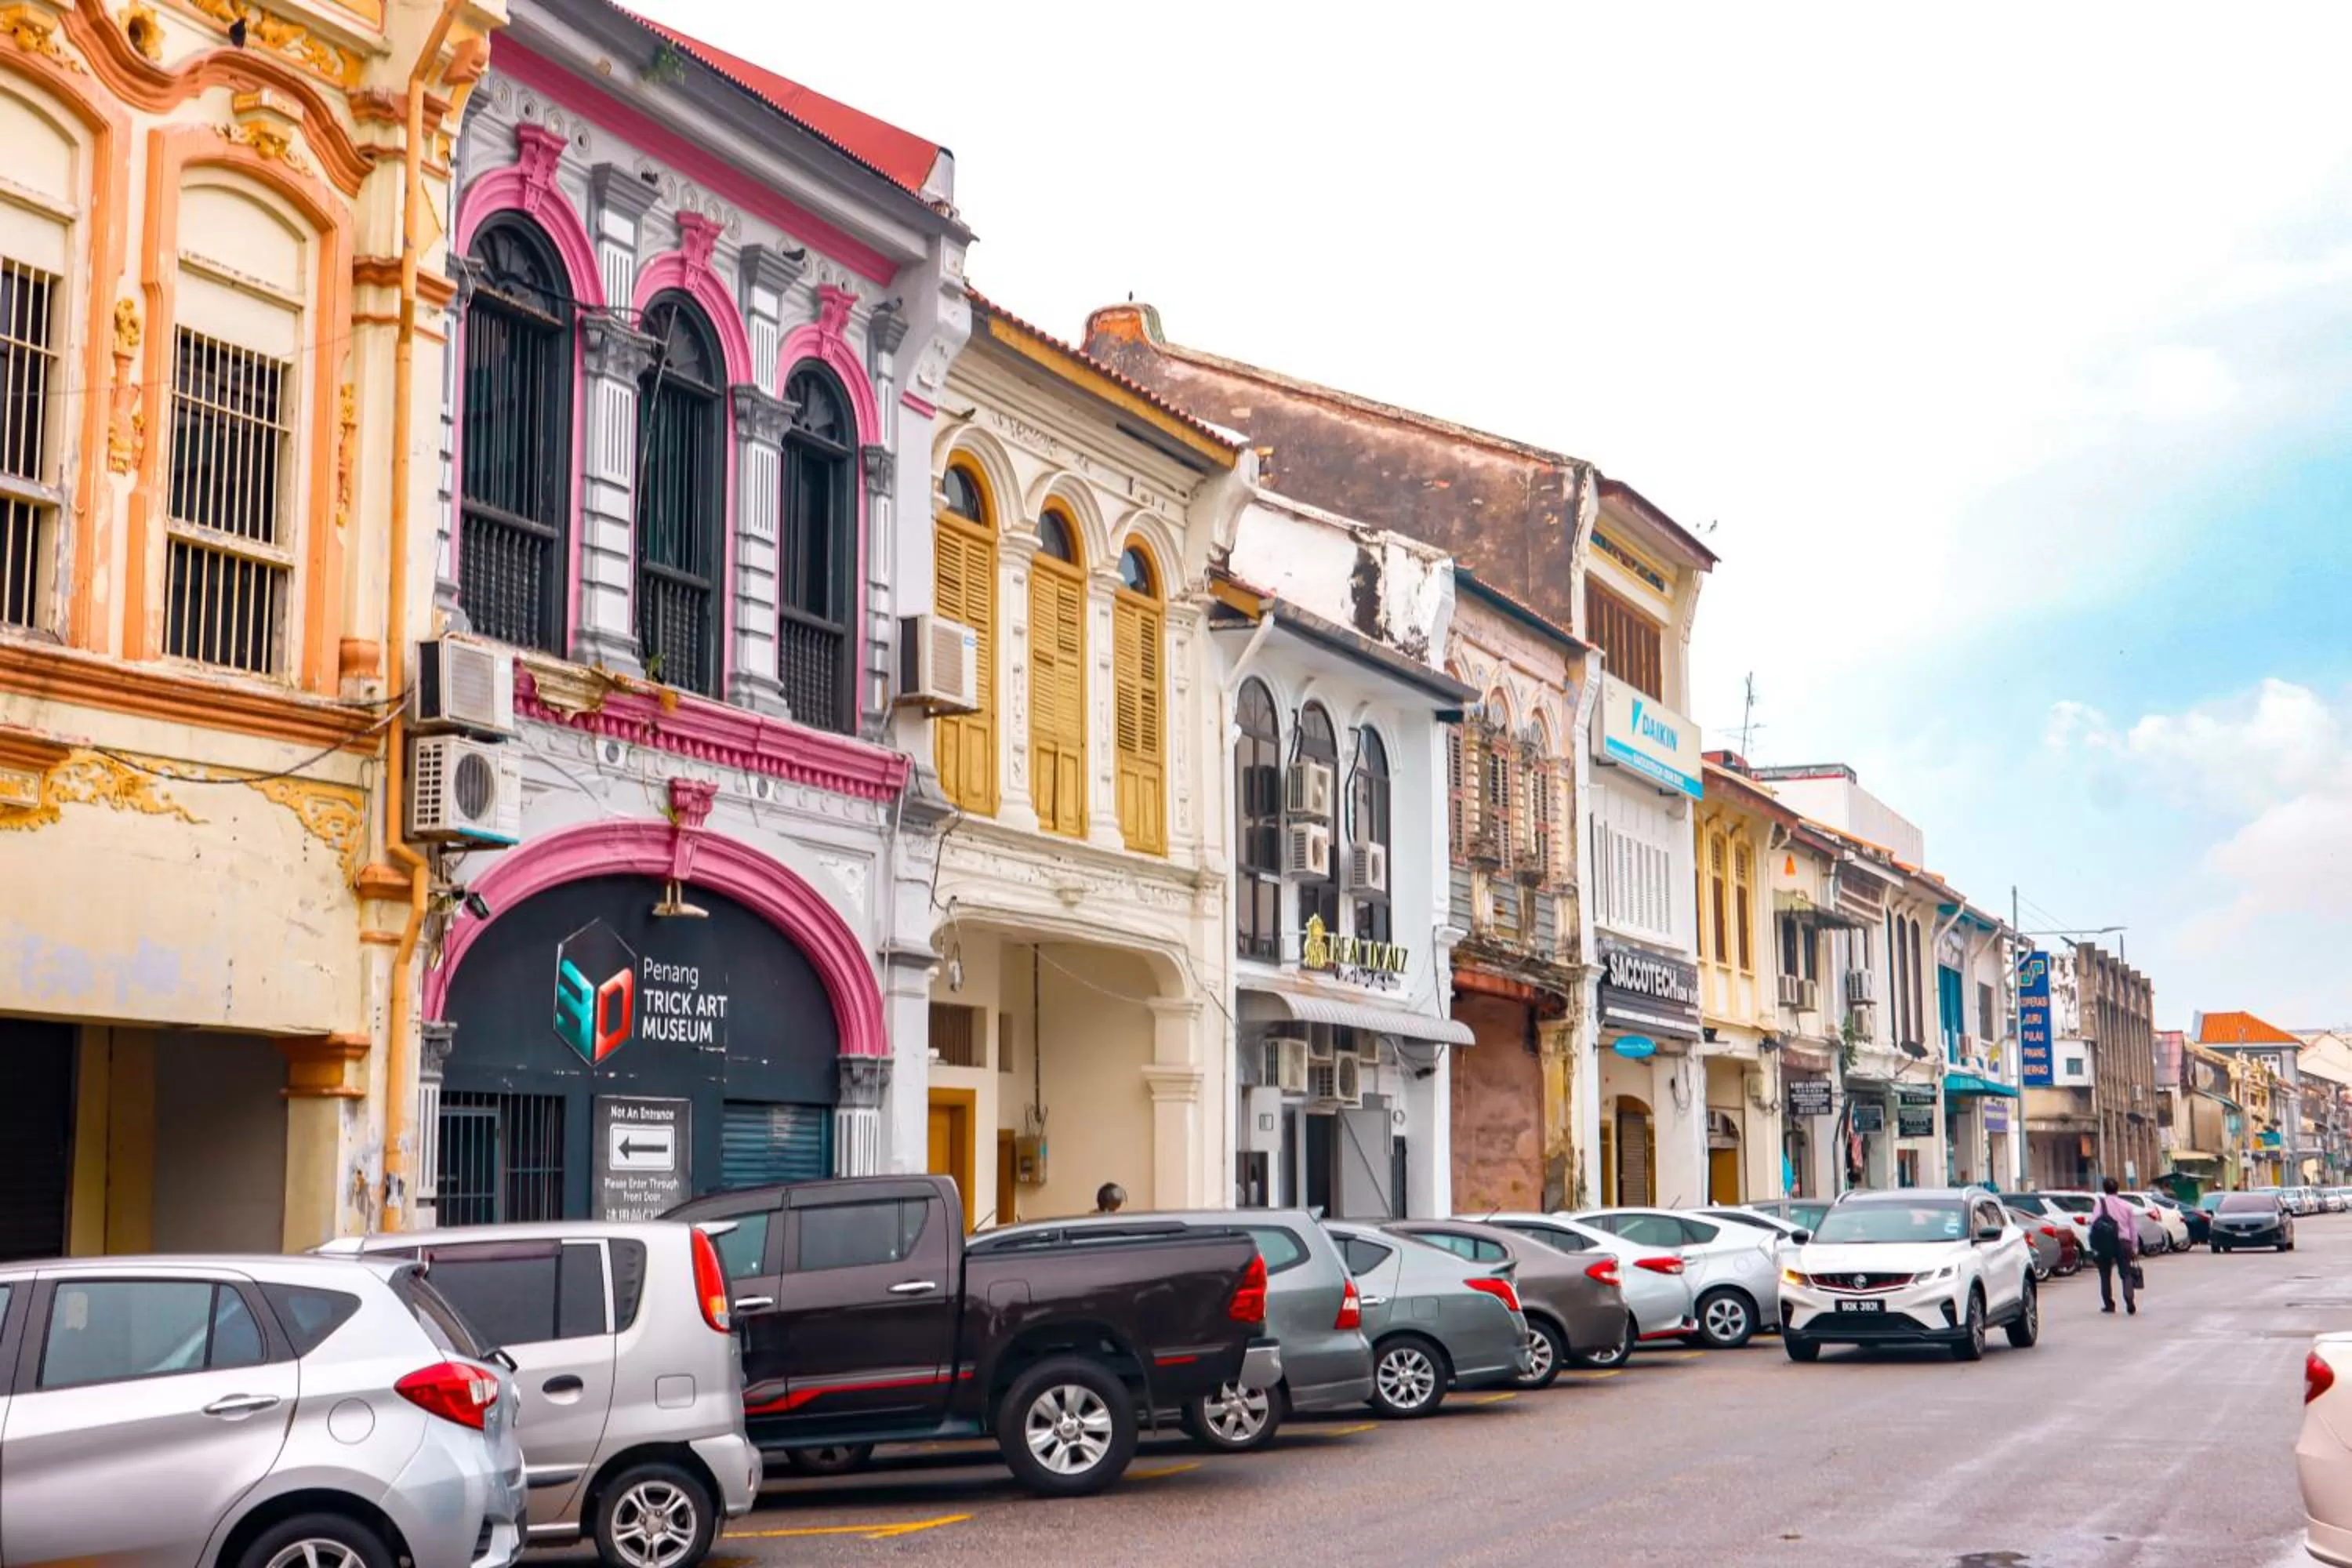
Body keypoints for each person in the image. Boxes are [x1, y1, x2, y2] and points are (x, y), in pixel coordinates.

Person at [2089, 1175, 2140, 1316]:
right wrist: (2135, 1247)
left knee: (2105, 1274)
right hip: (2124, 1242)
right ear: (2118, 1189)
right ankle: (2129, 1300)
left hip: (2106, 1242)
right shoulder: (2127, 1206)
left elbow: (2094, 1222)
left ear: (2104, 1189)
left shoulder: (2100, 1204)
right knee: (2126, 1273)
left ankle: (2109, 1304)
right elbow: (2133, 1228)